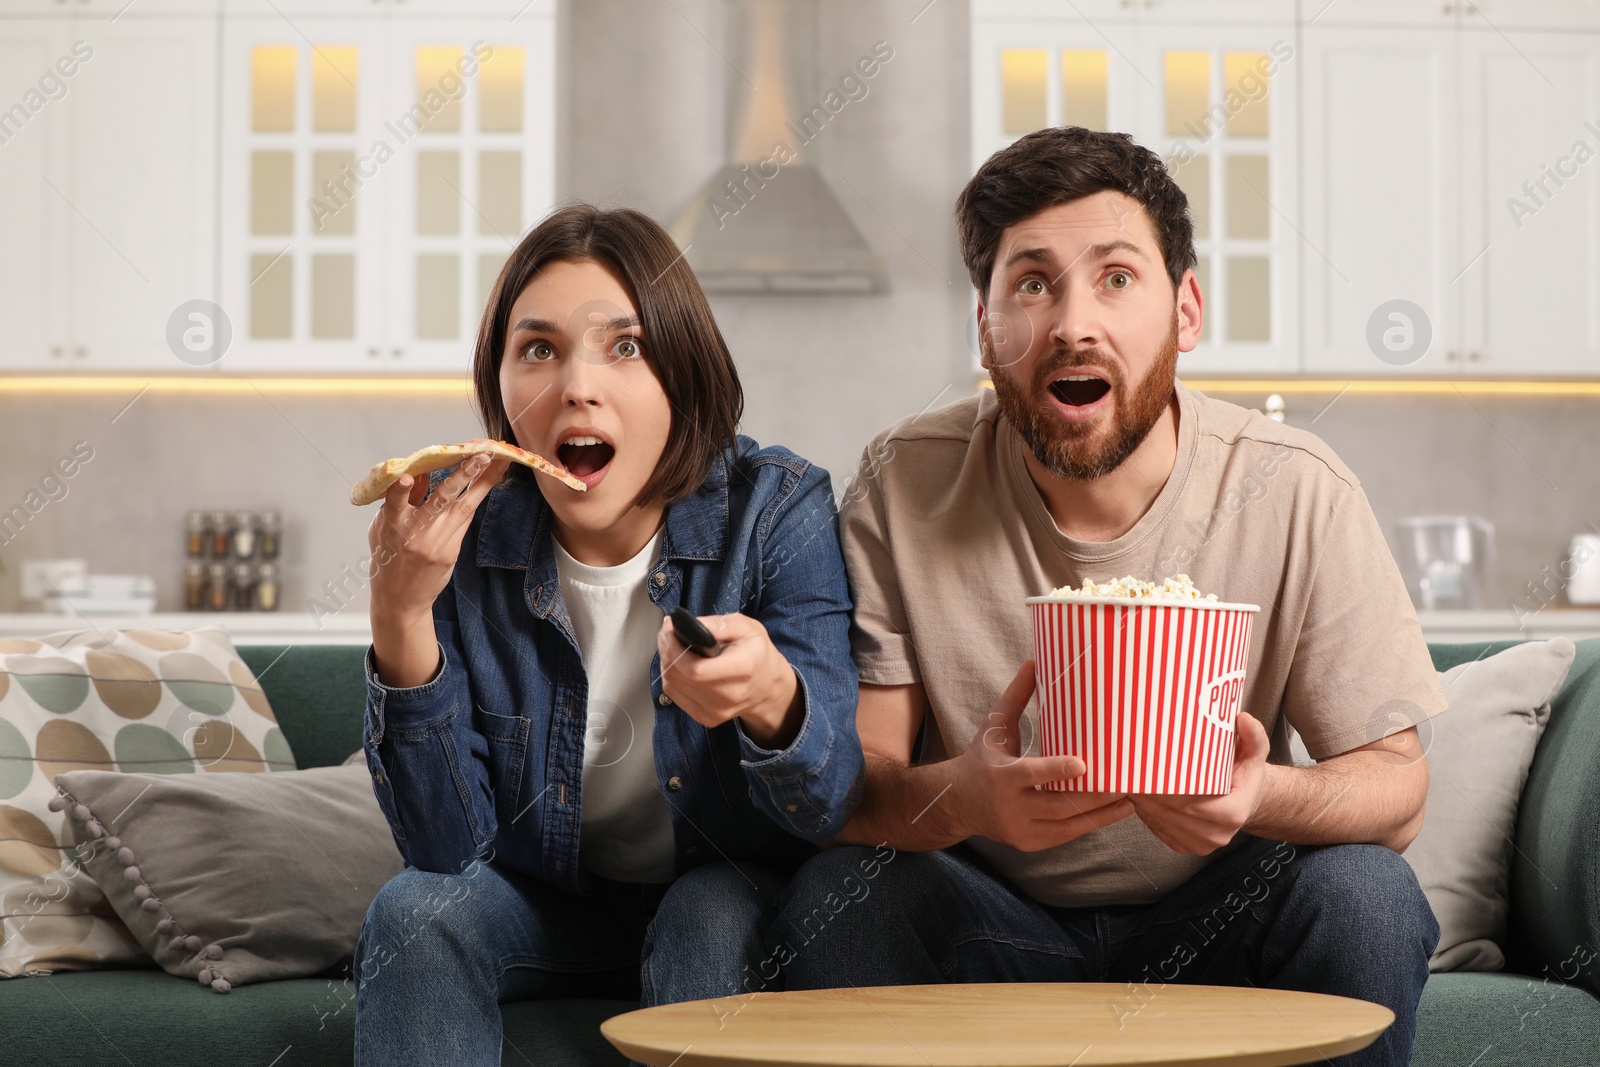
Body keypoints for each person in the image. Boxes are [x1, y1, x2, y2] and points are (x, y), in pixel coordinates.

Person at [772, 127, 1446, 1067]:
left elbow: (1397, 789)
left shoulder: (1296, 487)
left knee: (1369, 895)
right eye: (1032, 283)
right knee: (837, 892)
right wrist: (968, 800)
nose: (1072, 324)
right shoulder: (903, 482)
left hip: (1220, 916)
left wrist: (1255, 795)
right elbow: (860, 791)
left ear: (1187, 309)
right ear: (985, 327)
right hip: (990, 917)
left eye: (1117, 278)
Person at [352, 204, 863, 1066]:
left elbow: (831, 804)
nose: (575, 386)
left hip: (722, 893)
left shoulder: (777, 512)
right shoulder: (460, 533)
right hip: (546, 902)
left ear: (683, 373)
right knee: (411, 912)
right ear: (504, 386)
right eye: (539, 348)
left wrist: (771, 696)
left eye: (624, 346)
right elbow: (444, 850)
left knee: (707, 912)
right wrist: (400, 616)